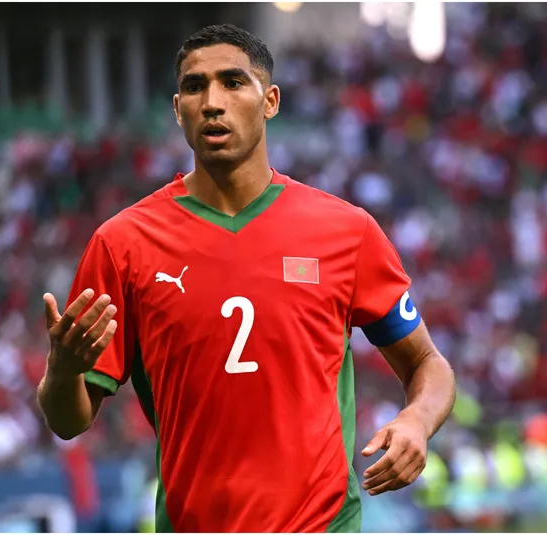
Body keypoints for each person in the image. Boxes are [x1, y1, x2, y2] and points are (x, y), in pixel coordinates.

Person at [37, 23, 456, 533]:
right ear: (178, 110)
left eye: (233, 82)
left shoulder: (347, 232)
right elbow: (69, 421)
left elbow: (428, 364)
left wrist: (416, 420)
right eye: (195, 87)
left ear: (270, 101)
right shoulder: (122, 244)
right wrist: (62, 372)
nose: (212, 102)